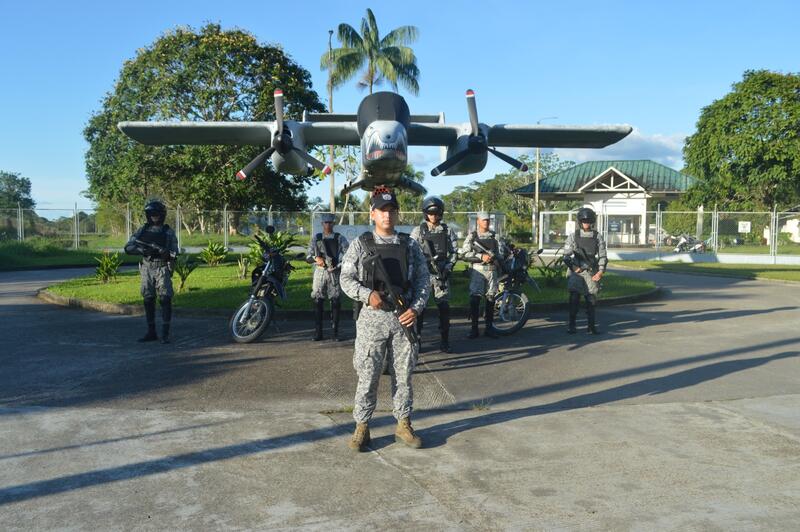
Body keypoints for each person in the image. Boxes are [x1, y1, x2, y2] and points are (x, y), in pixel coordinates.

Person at [339, 186, 430, 452]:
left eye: (392, 211)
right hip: (372, 319)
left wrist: (416, 308)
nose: (387, 216)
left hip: (404, 318)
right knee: (368, 375)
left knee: (404, 374)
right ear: (372, 214)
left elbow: (423, 280)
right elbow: (346, 278)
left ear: (397, 214)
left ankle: (403, 423)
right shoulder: (361, 244)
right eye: (382, 211)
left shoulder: (409, 245)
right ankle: (362, 426)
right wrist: (367, 295)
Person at [124, 200, 179, 343]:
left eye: (157, 214)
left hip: (162, 267)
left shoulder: (168, 232)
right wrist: (142, 250)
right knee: (148, 298)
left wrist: (167, 254)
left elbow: (175, 252)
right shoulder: (142, 230)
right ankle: (151, 331)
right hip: (147, 267)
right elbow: (128, 247)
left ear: (162, 215)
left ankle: (165, 333)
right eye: (152, 214)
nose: (154, 217)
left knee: (165, 298)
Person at [410, 196, 458, 353]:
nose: (434, 216)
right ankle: (417, 341)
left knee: (444, 308)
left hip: (441, 275)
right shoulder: (418, 231)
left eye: (437, 213)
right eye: (431, 213)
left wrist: (448, 268)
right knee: (420, 309)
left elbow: (454, 252)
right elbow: (410, 253)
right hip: (422, 276)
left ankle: (445, 340)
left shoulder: (447, 230)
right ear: (425, 214)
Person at [461, 211, 510, 339]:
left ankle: (489, 328)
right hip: (478, 270)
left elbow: (501, 253)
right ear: (478, 221)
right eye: (483, 220)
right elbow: (464, 253)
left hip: (492, 270)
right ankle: (474, 329)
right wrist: (480, 256)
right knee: (475, 299)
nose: (486, 222)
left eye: (488, 220)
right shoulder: (472, 236)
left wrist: (496, 256)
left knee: (490, 299)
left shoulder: (495, 236)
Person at [563, 207, 607, 334]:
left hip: (591, 271)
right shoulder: (573, 236)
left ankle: (591, 326)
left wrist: (600, 271)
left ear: (592, 222)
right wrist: (573, 267)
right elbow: (566, 256)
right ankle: (572, 325)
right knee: (574, 298)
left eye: (588, 221)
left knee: (591, 300)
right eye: (584, 221)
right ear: (580, 222)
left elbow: (603, 256)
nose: (586, 223)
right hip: (576, 272)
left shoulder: (597, 237)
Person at [306, 212, 349, 341]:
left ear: (333, 223)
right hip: (320, 272)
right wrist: (316, 258)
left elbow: (348, 255)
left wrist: (339, 265)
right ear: (322, 224)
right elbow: (307, 256)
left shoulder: (339, 238)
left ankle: (335, 332)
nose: (328, 225)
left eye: (330, 222)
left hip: (334, 273)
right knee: (318, 300)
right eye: (326, 222)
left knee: (335, 301)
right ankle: (318, 332)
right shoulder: (316, 238)